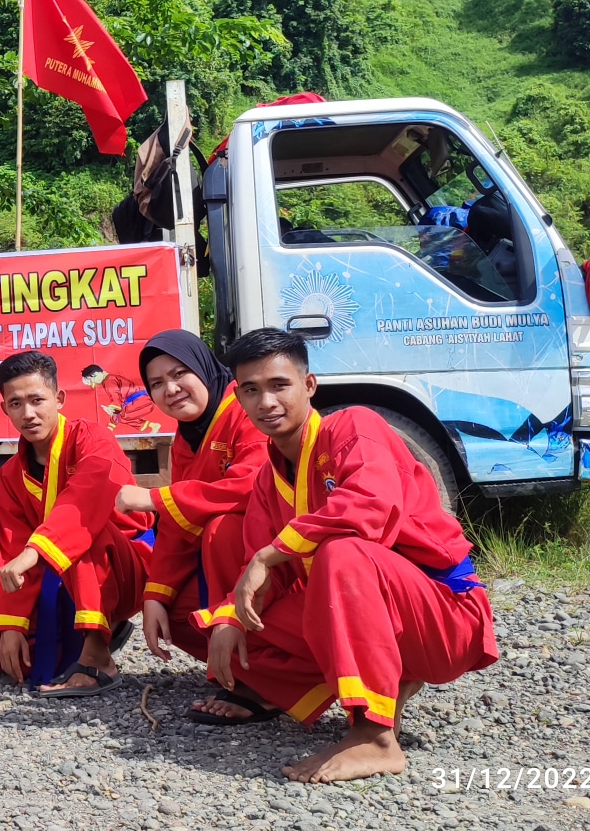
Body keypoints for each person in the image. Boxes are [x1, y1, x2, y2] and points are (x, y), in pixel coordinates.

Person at [204, 329, 498, 782]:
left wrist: (272, 552)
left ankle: (376, 737)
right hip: (381, 612)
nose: (266, 402)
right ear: (239, 398)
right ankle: (381, 680)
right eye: (251, 390)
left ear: (309, 385)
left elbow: (370, 506)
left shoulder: (354, 426)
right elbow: (266, 576)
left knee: (342, 553)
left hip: (443, 613)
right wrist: (229, 618)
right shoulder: (269, 478)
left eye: (279, 385)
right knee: (236, 622)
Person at [0, 352, 151, 695]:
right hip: (55, 577)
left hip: (119, 567)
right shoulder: (11, 474)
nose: (28, 413)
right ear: (5, 409)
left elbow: (85, 500)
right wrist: (12, 621)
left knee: (86, 531)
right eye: (16, 403)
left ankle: (98, 659)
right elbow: (11, 543)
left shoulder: (93, 439)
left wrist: (34, 551)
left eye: (37, 400)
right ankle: (95, 635)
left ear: (59, 399)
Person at [113, 331, 270, 715]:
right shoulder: (187, 438)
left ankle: (261, 686)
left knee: (223, 528)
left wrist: (153, 498)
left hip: (277, 560)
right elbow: (179, 526)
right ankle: (246, 671)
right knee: (176, 617)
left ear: (203, 367)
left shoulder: (245, 408)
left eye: (180, 373)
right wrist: (155, 594)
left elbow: (251, 484)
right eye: (156, 384)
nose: (171, 389)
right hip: (235, 569)